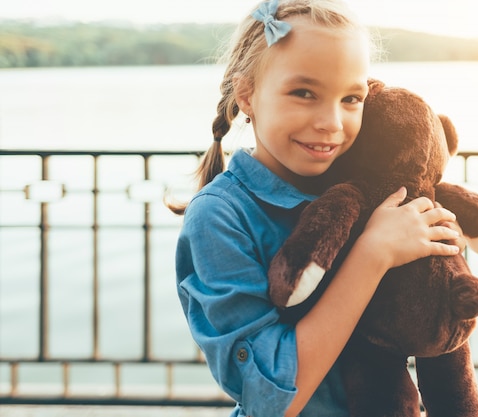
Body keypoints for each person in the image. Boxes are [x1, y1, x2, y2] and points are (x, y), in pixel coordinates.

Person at [171, 0, 463, 416]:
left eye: (351, 98)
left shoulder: (370, 190)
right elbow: (270, 398)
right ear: (247, 95)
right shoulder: (219, 217)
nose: (332, 122)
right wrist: (373, 255)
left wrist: (436, 249)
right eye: (304, 93)